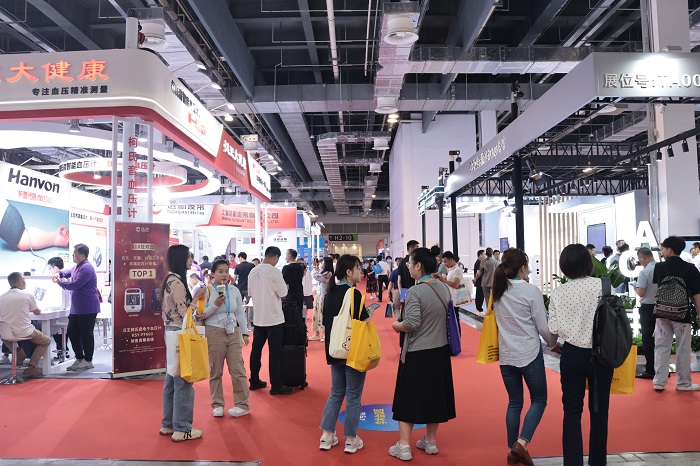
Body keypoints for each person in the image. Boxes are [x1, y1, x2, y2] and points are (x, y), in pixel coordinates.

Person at [492, 249, 558, 466]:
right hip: (529, 353)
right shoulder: (531, 291)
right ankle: (521, 443)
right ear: (523, 268)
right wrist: (553, 343)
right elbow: (543, 326)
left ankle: (513, 450)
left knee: (514, 402)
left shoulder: (499, 289)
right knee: (539, 400)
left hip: (507, 355)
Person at [548, 243, 612, 466]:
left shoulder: (558, 293)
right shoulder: (603, 285)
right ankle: (598, 462)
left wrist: (555, 345)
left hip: (572, 355)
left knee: (572, 411)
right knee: (599, 411)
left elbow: (553, 329)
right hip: (600, 355)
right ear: (588, 262)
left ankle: (572, 462)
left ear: (564, 266)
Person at [389, 247, 456, 461]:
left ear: (418, 266)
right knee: (435, 397)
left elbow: (412, 323)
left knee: (408, 399)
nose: (408, 267)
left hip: (417, 353)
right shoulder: (443, 288)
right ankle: (430, 441)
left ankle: (404, 446)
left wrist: (396, 325)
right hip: (440, 351)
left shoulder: (415, 291)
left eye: (410, 263)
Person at [319, 254, 369, 454]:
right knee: (353, 396)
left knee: (336, 393)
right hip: (353, 351)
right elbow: (362, 321)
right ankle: (351, 439)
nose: (361, 272)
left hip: (335, 349)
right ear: (349, 272)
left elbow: (326, 322)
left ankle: (326, 435)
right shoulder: (353, 294)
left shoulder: (330, 292)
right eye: (358, 268)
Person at [160, 244, 205, 441]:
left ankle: (168, 424)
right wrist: (196, 298)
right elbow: (185, 312)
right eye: (188, 257)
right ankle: (182, 427)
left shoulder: (171, 279)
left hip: (172, 332)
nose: (191, 260)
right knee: (184, 381)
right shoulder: (177, 282)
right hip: (179, 333)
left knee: (172, 379)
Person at [198, 259, 251, 418]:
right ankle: (217, 404)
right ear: (212, 274)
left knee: (238, 369)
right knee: (215, 370)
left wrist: (245, 332)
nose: (224, 274)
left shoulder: (234, 290)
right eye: (220, 271)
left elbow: (240, 313)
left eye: (226, 271)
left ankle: (242, 404)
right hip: (214, 331)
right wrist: (215, 304)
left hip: (233, 331)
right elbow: (200, 315)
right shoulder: (206, 291)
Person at [652, 236, 700, 392]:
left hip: (662, 313)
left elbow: (658, 288)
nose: (661, 252)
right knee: (683, 349)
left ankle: (659, 381)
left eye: (663, 249)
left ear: (669, 250)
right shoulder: (690, 268)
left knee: (661, 347)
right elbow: (697, 294)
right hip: (682, 315)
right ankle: (683, 383)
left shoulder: (659, 267)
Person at [247, 246, 294, 395]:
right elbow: (283, 293)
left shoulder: (253, 271)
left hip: (258, 318)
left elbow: (250, 293)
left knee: (256, 351)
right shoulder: (274, 272)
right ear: (275, 257)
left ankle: (254, 380)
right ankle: (276, 384)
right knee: (275, 353)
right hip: (274, 318)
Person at [53, 243, 100, 372]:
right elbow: (67, 272)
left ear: (82, 255)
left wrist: (60, 282)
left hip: (87, 308)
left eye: (75, 253)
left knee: (86, 335)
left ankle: (88, 360)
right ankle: (79, 358)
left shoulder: (86, 268)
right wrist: (59, 273)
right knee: (73, 333)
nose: (73, 255)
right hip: (77, 308)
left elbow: (75, 284)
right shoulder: (77, 267)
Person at [0, 272, 51, 377]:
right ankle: (32, 367)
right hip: (25, 331)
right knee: (46, 341)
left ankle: (19, 352)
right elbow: (37, 312)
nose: (25, 282)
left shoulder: (1, 297)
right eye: (24, 280)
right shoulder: (27, 295)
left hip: (6, 333)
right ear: (19, 281)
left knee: (6, 338)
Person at [0, 199, 70, 251]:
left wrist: (55, 238)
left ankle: (55, 238)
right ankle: (55, 238)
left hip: (6, 214)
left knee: (23, 237)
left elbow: (24, 238)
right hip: (6, 211)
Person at [634, 247, 657, 380]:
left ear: (643, 257)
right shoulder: (661, 268)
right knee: (662, 340)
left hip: (648, 308)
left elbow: (641, 292)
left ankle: (650, 370)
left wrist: (636, 288)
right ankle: (662, 369)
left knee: (648, 339)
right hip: (662, 307)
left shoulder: (645, 272)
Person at [48, 256, 71, 360]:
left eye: (50, 268)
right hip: (66, 310)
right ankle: (63, 351)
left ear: (55, 268)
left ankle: (62, 351)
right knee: (61, 332)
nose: (50, 270)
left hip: (62, 311)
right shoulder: (66, 278)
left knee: (58, 331)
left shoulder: (59, 280)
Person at [310, 256, 333, 341]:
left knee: (323, 315)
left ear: (326, 264)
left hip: (324, 297)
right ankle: (317, 333)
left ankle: (325, 334)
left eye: (322, 262)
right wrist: (316, 266)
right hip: (319, 295)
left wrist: (314, 267)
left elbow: (315, 276)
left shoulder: (328, 274)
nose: (320, 264)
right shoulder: (322, 272)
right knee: (316, 315)